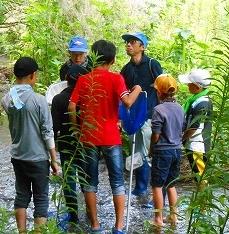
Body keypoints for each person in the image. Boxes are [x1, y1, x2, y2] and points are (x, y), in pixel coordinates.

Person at [68, 39, 142, 234]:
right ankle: (118, 227)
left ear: (92, 58)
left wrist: (77, 130)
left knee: (90, 182)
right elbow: (126, 102)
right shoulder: (116, 79)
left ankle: (95, 225)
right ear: (113, 60)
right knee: (117, 181)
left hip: (88, 137)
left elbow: (71, 106)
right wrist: (137, 89)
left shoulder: (84, 79)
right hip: (111, 138)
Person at [1, 57, 59, 234]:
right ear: (33, 75)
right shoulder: (39, 100)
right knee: (41, 198)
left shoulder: (6, 99)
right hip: (38, 157)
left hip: (18, 156)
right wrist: (54, 160)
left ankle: (22, 232)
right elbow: (47, 133)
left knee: (22, 195)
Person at [120, 32, 164, 202]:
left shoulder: (153, 64)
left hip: (149, 116)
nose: (128, 45)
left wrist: (162, 116)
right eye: (127, 43)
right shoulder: (127, 69)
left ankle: (152, 191)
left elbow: (163, 88)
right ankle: (140, 188)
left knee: (147, 153)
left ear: (142, 47)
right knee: (135, 152)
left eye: (133, 42)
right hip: (132, 118)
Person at [51, 64, 89, 224]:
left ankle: (73, 217)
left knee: (69, 180)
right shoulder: (88, 97)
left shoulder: (58, 99)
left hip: (66, 144)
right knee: (87, 179)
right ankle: (90, 213)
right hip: (87, 144)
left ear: (66, 79)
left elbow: (55, 127)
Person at [148, 74, 185, 227]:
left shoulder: (158, 109)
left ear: (159, 92)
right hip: (177, 150)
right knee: (171, 184)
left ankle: (158, 219)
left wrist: (151, 148)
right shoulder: (180, 108)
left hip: (163, 151)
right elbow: (183, 128)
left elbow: (155, 134)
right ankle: (173, 217)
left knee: (157, 184)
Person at [178, 69, 213, 187]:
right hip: (196, 144)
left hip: (197, 145)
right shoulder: (198, 100)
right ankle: (201, 203)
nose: (188, 85)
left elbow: (194, 128)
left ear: (198, 87)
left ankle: (205, 204)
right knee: (197, 175)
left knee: (200, 177)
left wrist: (181, 138)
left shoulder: (201, 103)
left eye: (190, 83)